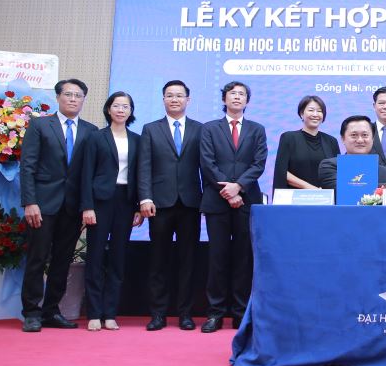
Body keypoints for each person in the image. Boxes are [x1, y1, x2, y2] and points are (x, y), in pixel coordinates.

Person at [19, 78, 98, 332]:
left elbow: (90, 173)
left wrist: (87, 205)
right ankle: (31, 312)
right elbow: (27, 166)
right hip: (43, 204)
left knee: (62, 261)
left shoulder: (91, 131)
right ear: (58, 97)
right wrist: (30, 202)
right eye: (68, 94)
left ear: (83, 100)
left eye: (78, 95)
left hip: (72, 207)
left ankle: (51, 311)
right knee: (37, 258)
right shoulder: (40, 125)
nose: (73, 99)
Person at [199, 81, 267, 333]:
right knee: (217, 257)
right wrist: (227, 191)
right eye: (232, 93)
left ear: (247, 101)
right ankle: (215, 313)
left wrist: (238, 187)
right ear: (224, 99)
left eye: (242, 94)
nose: (237, 97)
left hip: (247, 200)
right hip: (217, 201)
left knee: (243, 258)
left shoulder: (257, 129)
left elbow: (259, 163)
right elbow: (207, 163)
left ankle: (240, 313)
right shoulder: (209, 129)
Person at [137, 80, 203, 332]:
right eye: (170, 95)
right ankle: (158, 314)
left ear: (188, 99)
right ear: (163, 99)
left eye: (179, 95)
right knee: (158, 260)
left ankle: (185, 314)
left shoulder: (200, 129)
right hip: (159, 204)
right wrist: (145, 198)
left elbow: (206, 166)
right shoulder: (150, 129)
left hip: (190, 204)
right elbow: (144, 166)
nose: (175, 99)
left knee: (188, 261)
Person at [80, 92, 143, 332]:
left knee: (118, 258)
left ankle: (110, 313)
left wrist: (138, 207)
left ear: (131, 111)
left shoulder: (137, 140)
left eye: (126, 106)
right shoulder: (96, 137)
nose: (121, 110)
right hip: (100, 201)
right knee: (95, 257)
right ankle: (94, 313)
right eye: (116, 106)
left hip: (125, 201)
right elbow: (86, 173)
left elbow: (140, 175)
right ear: (108, 109)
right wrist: (87, 206)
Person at [272, 95, 340, 193]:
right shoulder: (288, 138)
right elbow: (282, 172)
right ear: (301, 114)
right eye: (311, 110)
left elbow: (337, 173)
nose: (315, 114)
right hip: (296, 197)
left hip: (326, 198)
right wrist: (312, 189)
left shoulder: (331, 141)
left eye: (319, 111)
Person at [318, 115, 386, 191]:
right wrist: (381, 187)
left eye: (365, 135)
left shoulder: (385, 172)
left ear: (373, 139)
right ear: (343, 139)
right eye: (354, 135)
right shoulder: (330, 166)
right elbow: (342, 190)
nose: (360, 140)